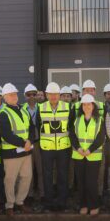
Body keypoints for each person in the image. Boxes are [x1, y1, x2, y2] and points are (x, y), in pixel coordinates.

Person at [0, 83, 34, 215]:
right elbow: (6, 135)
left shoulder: (24, 110)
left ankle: (20, 202)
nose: (14, 96)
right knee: (10, 180)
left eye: (15, 94)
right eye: (11, 95)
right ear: (4, 98)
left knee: (26, 177)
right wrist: (24, 143)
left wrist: (30, 140)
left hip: (26, 152)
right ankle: (10, 205)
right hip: (11, 154)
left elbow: (31, 127)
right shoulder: (3, 113)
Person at [36, 82, 72, 211]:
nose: (53, 97)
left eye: (56, 94)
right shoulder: (40, 108)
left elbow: (71, 126)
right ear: (46, 95)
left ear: (59, 95)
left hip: (63, 147)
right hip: (47, 148)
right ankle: (49, 202)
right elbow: (38, 126)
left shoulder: (68, 107)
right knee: (47, 176)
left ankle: (62, 202)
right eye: (50, 94)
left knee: (63, 175)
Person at [70, 94, 105, 215]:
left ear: (93, 106)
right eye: (84, 105)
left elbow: (101, 138)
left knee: (91, 181)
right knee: (81, 182)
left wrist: (90, 150)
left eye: (89, 104)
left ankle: (94, 205)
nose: (86, 107)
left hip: (93, 155)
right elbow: (72, 135)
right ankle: (83, 204)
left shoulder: (99, 120)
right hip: (79, 155)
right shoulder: (77, 119)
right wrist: (78, 148)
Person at [22, 84, 44, 203]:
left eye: (34, 94)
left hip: (39, 143)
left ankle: (42, 194)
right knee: (28, 171)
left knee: (41, 170)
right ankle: (29, 195)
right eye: (29, 94)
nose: (31, 96)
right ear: (25, 96)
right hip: (27, 144)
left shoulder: (42, 108)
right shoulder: (21, 109)